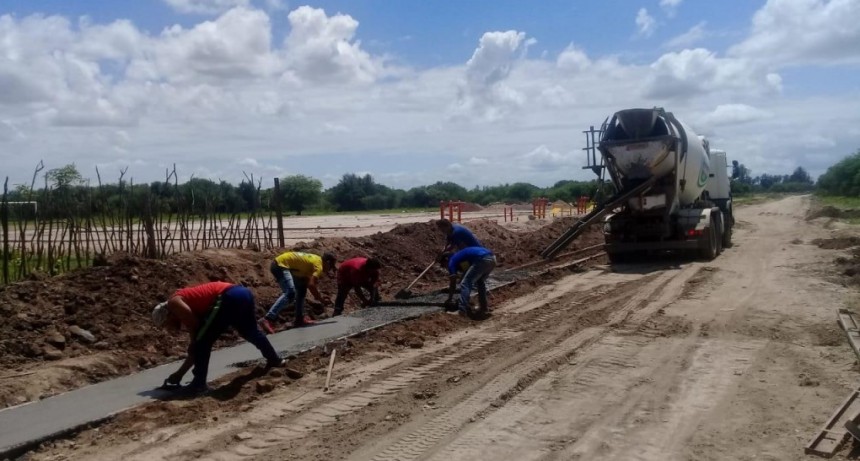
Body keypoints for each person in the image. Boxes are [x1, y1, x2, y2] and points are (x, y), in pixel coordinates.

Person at [151, 281, 284, 394]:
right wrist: (179, 374)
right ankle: (274, 359)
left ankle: (198, 384)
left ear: (167, 315)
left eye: (166, 324)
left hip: (227, 297)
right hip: (242, 293)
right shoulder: (181, 298)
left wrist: (193, 344)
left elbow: (195, 326)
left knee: (202, 343)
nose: (169, 327)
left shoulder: (173, 304)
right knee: (250, 331)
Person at [260, 251, 336, 333]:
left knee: (302, 288)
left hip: (284, 264)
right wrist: (321, 299)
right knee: (290, 292)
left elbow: (307, 282)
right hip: (280, 266)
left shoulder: (316, 260)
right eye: (331, 267)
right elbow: (311, 285)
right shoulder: (319, 266)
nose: (329, 270)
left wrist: (319, 295)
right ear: (327, 263)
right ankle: (267, 319)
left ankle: (299, 319)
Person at [439, 245, 496, 318]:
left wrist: (450, 298)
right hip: (492, 258)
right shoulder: (459, 257)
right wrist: (460, 279)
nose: (445, 267)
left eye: (444, 265)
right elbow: (467, 270)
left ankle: (462, 310)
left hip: (481, 259)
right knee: (480, 282)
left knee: (465, 283)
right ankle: (484, 308)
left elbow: (453, 283)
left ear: (446, 259)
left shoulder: (451, 261)